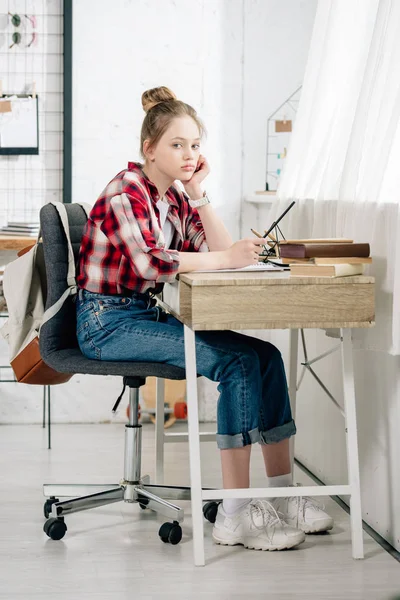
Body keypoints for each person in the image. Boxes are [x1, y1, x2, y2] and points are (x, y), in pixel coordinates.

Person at [76, 85, 333, 552]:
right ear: (149, 149)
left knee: (267, 356)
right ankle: (235, 515)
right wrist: (228, 258)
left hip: (143, 316)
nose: (190, 154)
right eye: (178, 145)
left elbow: (217, 250)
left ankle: (278, 497)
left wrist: (197, 193)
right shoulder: (124, 191)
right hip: (106, 323)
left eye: (195, 145)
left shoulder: (172, 195)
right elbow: (152, 264)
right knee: (235, 364)